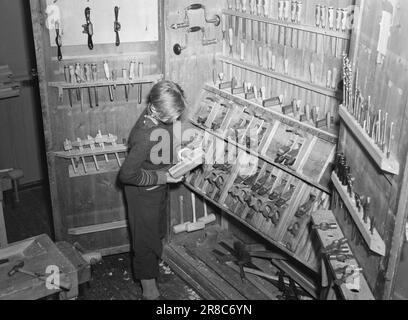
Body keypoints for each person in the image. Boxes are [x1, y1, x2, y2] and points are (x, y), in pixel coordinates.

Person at [119, 80, 186, 300]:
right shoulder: (144, 134)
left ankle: (151, 274)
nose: (175, 120)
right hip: (141, 194)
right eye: (172, 116)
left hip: (157, 189)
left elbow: (161, 147)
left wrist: (180, 159)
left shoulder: (160, 119)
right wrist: (163, 176)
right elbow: (126, 175)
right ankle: (149, 291)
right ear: (155, 108)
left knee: (156, 233)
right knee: (145, 242)